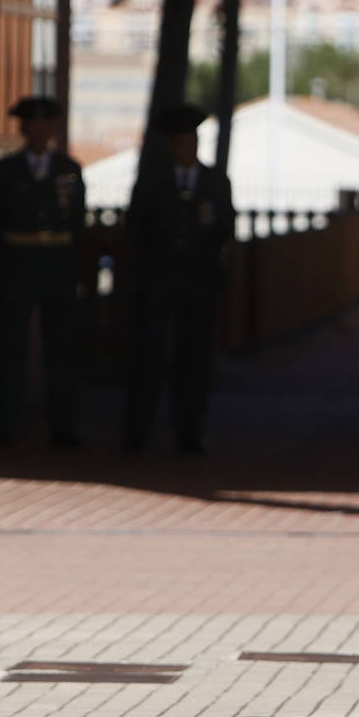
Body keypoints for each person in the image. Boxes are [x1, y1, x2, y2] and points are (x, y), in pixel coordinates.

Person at [123, 103, 235, 455]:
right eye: (181, 142)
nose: (188, 148)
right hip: (157, 281)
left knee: (195, 360)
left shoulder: (216, 181)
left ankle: (189, 433)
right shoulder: (151, 182)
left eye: (193, 140)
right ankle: (138, 432)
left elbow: (225, 229)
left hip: (198, 283)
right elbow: (135, 232)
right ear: (172, 145)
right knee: (147, 356)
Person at [0, 96, 84, 447]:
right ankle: (6, 425)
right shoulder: (4, 169)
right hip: (17, 263)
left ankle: (64, 426)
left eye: (46, 124)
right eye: (32, 124)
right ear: (24, 129)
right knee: (10, 348)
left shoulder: (69, 168)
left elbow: (79, 224)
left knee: (64, 349)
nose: (40, 131)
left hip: (58, 265)